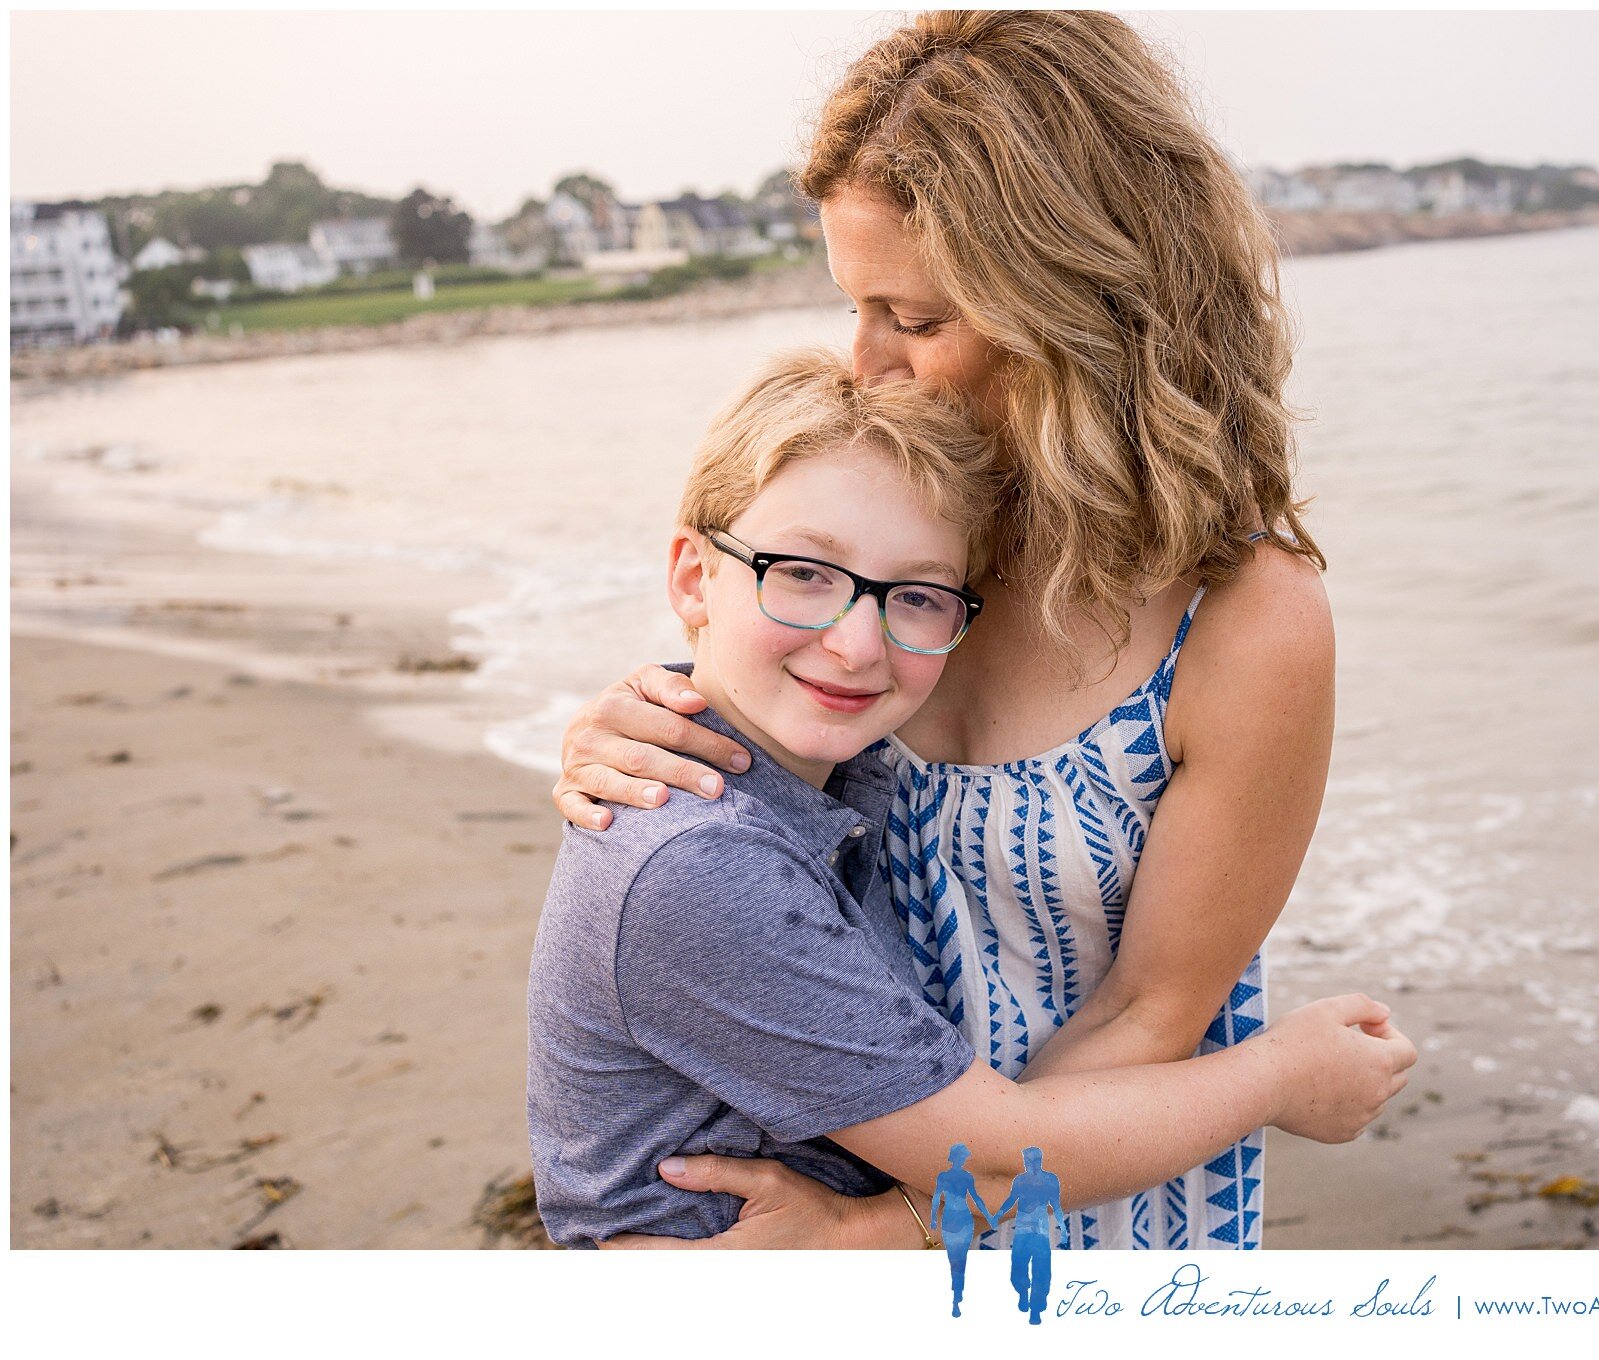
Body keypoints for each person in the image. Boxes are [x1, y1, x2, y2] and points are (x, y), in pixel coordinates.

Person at [555, 11, 1389, 1250]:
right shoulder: (896, 542)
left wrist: (880, 1233)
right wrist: (625, 740)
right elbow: (754, 768)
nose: (866, 364)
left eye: (915, 318)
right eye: (853, 305)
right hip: (837, 1166)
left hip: (1074, 1204)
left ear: (1079, 309)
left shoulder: (1242, 619)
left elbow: (1152, 1011)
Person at [531, 349, 1413, 1250]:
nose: (855, 646)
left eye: (915, 596)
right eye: (803, 573)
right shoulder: (704, 861)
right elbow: (997, 1158)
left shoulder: (843, 769)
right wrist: (1280, 1078)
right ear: (691, 575)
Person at [994, 1148, 1066, 1325]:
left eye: (1032, 1160)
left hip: (1040, 1233)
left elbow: (1056, 1205)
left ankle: (1036, 1308)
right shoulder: (1020, 1180)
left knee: (1041, 1272)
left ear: (1039, 1160)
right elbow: (1012, 1199)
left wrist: (1063, 1227)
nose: (1029, 1164)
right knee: (1018, 1268)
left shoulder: (1050, 1180)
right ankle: (1023, 1292)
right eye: (1027, 1160)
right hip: (1022, 1231)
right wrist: (997, 1214)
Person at [930, 1145, 990, 1317]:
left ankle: (957, 1299)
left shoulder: (959, 1176)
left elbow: (976, 1198)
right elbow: (976, 1198)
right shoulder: (958, 1176)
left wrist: (988, 1215)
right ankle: (956, 1298)